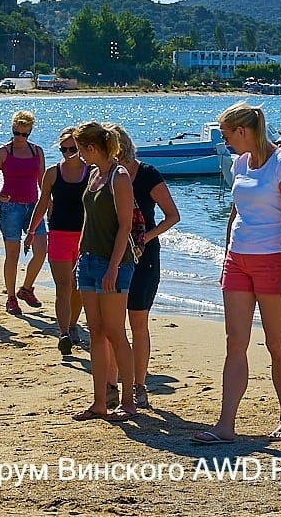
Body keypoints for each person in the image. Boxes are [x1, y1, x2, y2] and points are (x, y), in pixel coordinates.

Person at [193, 102, 281, 444]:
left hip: (272, 260)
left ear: (243, 131)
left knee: (275, 343)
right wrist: (225, 253)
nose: (226, 143)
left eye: (227, 136)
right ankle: (226, 425)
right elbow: (234, 212)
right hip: (238, 260)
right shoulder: (240, 162)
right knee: (234, 343)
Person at [109, 124, 181, 409]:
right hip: (113, 255)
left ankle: (139, 386)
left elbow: (172, 215)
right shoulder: (105, 175)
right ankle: (112, 385)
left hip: (144, 256)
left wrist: (143, 237)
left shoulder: (148, 174)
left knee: (137, 323)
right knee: (113, 325)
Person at [71, 121, 138, 422]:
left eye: (80, 149)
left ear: (92, 147)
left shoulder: (118, 176)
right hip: (88, 260)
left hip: (114, 264)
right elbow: (89, 218)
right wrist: (79, 255)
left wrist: (113, 266)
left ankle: (128, 400)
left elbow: (125, 224)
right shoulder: (94, 174)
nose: (79, 155)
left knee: (115, 332)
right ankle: (99, 402)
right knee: (96, 332)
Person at [24, 127, 88, 356]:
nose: (68, 153)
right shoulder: (52, 173)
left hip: (85, 238)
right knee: (63, 287)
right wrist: (31, 231)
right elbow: (42, 204)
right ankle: (63, 334)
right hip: (59, 235)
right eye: (64, 149)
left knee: (78, 287)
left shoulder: (91, 172)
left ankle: (72, 325)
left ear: (81, 148)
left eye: (73, 149)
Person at [0, 110, 47, 315]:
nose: (20, 138)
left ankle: (26, 288)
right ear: (12, 130)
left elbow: (43, 182)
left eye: (24, 134)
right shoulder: (3, 152)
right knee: (12, 253)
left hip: (33, 206)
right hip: (11, 207)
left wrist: (49, 203)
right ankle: (11, 297)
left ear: (30, 133)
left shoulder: (37, 152)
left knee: (41, 251)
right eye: (17, 133)